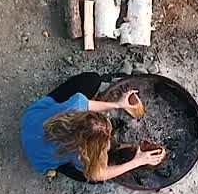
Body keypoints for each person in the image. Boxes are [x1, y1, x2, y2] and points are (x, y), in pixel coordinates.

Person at [21, 72, 164, 182]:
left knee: (91, 79)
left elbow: (88, 105)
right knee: (94, 179)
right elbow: (97, 175)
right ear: (89, 147)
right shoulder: (78, 155)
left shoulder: (74, 106)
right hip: (40, 159)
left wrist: (118, 104)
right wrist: (137, 162)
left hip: (32, 119)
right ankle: (57, 167)